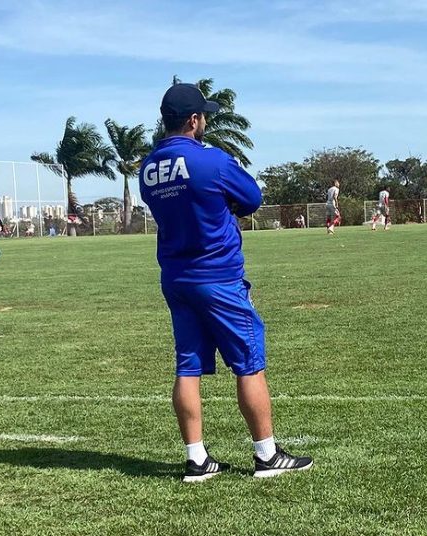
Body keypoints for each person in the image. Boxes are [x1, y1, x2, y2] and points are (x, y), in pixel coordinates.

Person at [139, 82, 312, 483]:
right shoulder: (211, 160)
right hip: (218, 275)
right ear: (194, 120)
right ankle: (266, 455)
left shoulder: (148, 168)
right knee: (248, 362)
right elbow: (251, 197)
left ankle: (196, 459)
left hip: (176, 276)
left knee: (187, 366)